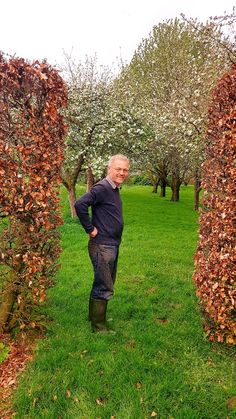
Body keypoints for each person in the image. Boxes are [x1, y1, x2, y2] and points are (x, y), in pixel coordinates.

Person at [74, 154, 129, 333]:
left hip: (111, 244)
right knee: (104, 284)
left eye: (125, 170)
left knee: (104, 281)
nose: (122, 172)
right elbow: (80, 204)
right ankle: (99, 327)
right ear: (109, 169)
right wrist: (90, 229)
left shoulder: (113, 188)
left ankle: (96, 317)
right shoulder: (103, 187)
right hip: (102, 245)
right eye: (118, 169)